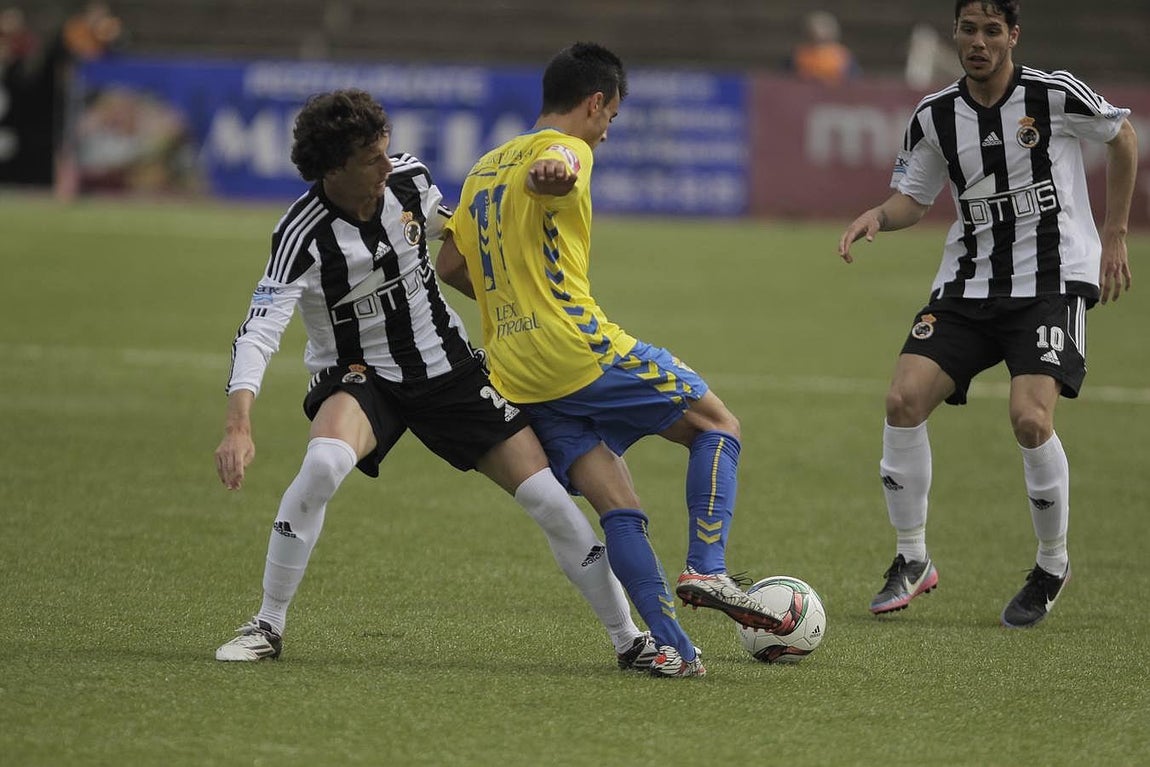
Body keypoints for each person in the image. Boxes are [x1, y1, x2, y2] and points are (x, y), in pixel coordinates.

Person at [213, 89, 658, 671]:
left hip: (448, 369)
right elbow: (259, 330)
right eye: (371, 158)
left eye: (386, 151)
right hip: (361, 375)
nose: (385, 164)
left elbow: (460, 240)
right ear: (333, 169)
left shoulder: (410, 180)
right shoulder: (301, 232)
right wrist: (238, 424)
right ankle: (268, 624)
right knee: (323, 464)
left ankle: (630, 639)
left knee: (549, 499)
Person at [437, 42, 788, 679]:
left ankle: (673, 648)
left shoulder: (484, 168)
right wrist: (558, 174)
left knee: (615, 501)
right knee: (717, 426)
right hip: (577, 350)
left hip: (515, 372)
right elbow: (561, 160)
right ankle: (707, 569)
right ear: (595, 103)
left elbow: (451, 266)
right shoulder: (569, 150)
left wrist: (509, 290)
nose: (606, 134)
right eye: (611, 118)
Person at [838, 0, 1137, 628]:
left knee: (1030, 419)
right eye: (968, 30)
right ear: (955, 34)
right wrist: (877, 215)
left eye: (991, 31)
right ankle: (912, 557)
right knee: (902, 401)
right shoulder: (936, 115)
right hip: (969, 287)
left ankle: (1051, 564)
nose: (978, 42)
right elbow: (913, 199)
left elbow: (1122, 136)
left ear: (1012, 35)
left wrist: (1113, 232)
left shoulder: (1052, 94)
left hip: (1050, 284)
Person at [784, 11, 861, 86]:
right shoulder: (799, 54)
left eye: (823, 28)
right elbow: (788, 77)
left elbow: (852, 79)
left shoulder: (842, 55)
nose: (819, 32)